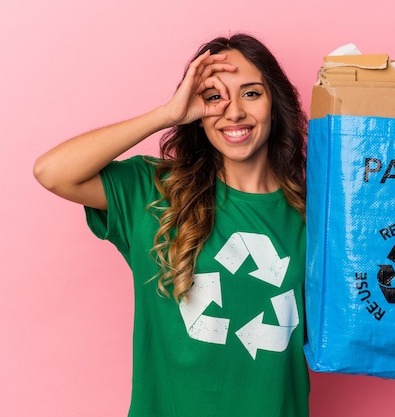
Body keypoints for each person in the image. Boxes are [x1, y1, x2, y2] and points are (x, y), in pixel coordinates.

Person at [33, 33, 309, 417]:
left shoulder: (314, 215)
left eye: (251, 93)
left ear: (275, 105)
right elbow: (52, 172)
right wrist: (166, 115)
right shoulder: (155, 192)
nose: (233, 113)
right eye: (214, 97)